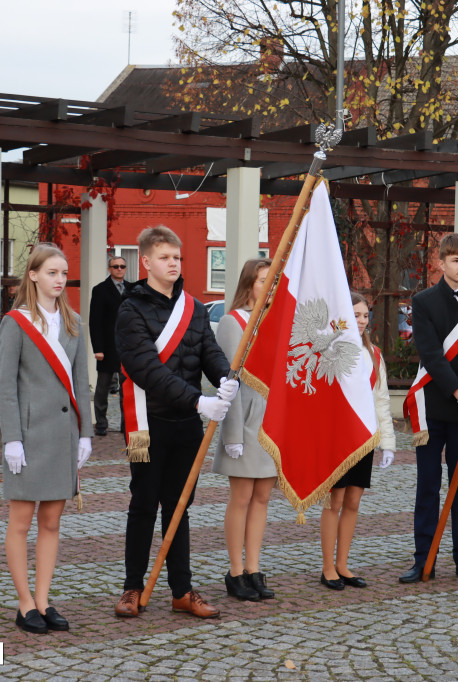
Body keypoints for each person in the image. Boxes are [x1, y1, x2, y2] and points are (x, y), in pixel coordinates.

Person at [113, 225, 238, 620]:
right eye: (165, 257)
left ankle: (181, 591)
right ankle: (133, 588)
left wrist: (224, 378)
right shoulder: (129, 309)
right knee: (143, 503)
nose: (173, 264)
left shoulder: (194, 308)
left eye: (177, 258)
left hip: (186, 424)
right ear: (146, 262)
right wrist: (200, 400)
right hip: (142, 427)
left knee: (179, 506)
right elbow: (147, 370)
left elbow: (209, 351)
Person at [0, 243, 93, 634]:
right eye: (51, 272)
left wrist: (86, 433)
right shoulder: (15, 323)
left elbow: (82, 385)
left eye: (63, 273)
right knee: (21, 521)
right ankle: (24, 605)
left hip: (63, 436)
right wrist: (11, 439)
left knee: (51, 521)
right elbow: (5, 387)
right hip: (29, 436)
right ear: (33, 275)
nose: (59, 279)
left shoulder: (74, 324)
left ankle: (43, 599)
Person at [399, 232, 458, 584]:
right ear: (441, 262)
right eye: (455, 260)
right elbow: (431, 355)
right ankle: (423, 559)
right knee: (428, 485)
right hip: (434, 404)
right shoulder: (423, 301)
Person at [319, 292, 397, 590]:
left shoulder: (374, 354)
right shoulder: (331, 352)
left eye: (365, 315)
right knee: (334, 501)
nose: (362, 321)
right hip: (338, 438)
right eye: (356, 316)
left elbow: (381, 400)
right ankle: (327, 567)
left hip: (364, 439)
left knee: (353, 501)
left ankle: (343, 565)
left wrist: (387, 443)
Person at [212, 258, 278, 602]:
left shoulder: (278, 322)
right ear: (249, 284)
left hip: (271, 424)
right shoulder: (231, 321)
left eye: (273, 280)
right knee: (241, 498)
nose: (268, 286)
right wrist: (232, 435)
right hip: (246, 420)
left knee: (263, 498)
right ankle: (235, 571)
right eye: (263, 280)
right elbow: (229, 382)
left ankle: (254, 568)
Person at [89, 255, 128, 436]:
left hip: (127, 349)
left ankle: (125, 425)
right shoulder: (100, 290)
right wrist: (98, 348)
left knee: (126, 389)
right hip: (106, 347)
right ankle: (102, 424)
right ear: (109, 269)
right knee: (102, 388)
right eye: (115, 267)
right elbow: (95, 321)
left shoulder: (132, 289)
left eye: (122, 266)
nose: (119, 269)